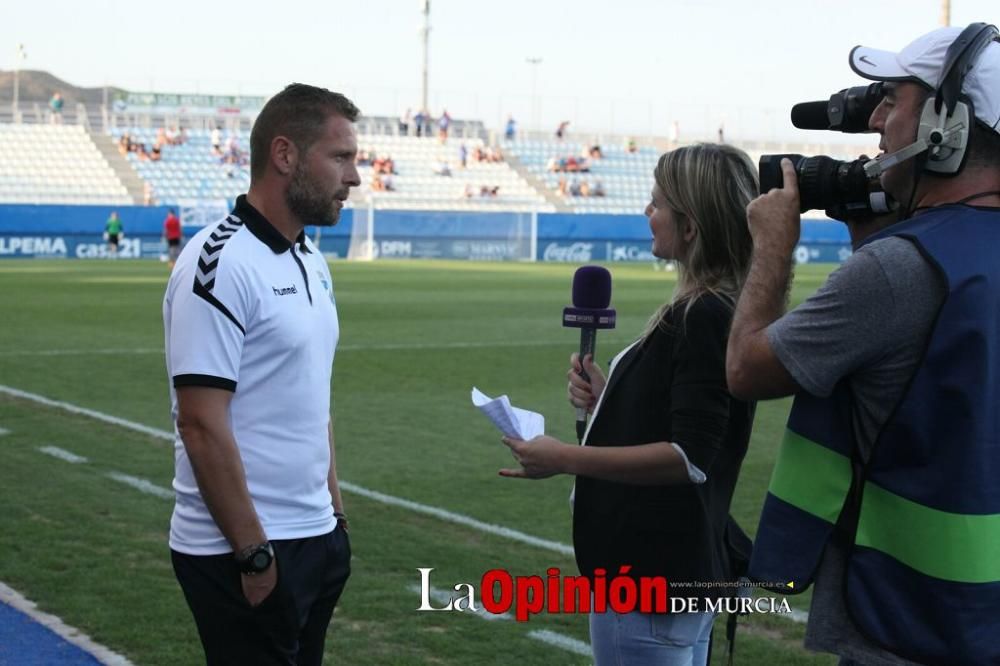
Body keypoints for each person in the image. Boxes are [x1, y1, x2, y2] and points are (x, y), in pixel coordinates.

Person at [726, 24, 1000, 665]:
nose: (876, 119)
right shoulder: (917, 262)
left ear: (943, 125)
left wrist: (772, 247)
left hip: (907, 618)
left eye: (892, 99)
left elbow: (746, 368)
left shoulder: (898, 270)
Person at [501, 143, 758, 666]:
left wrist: (563, 458)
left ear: (691, 225)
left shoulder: (705, 312)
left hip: (650, 576)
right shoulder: (710, 306)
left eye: (657, 202)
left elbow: (689, 458)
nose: (647, 213)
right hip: (668, 572)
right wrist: (609, 401)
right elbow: (681, 422)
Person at [162, 83, 359, 665]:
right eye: (341, 157)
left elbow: (312, 398)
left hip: (314, 538)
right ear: (285, 155)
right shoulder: (217, 263)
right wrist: (253, 554)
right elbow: (200, 423)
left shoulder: (310, 259)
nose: (354, 177)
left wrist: (335, 518)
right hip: (243, 551)